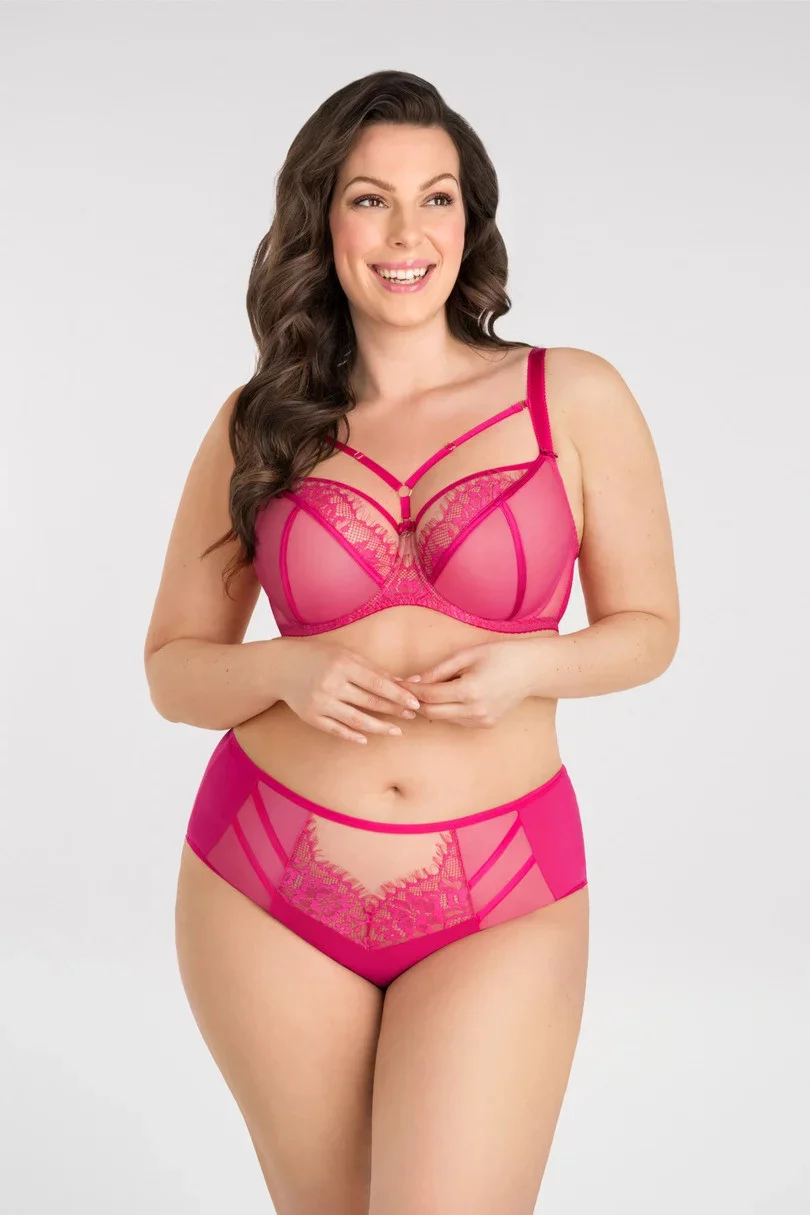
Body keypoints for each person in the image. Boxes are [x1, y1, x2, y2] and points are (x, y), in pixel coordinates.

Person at [144, 69, 679, 1215]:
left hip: (502, 888)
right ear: (321, 219)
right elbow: (174, 672)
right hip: (264, 881)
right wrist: (285, 668)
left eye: (437, 198)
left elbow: (649, 631)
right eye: (370, 199)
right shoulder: (259, 423)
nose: (407, 233)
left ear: (469, 222)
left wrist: (532, 665)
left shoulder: (573, 396)